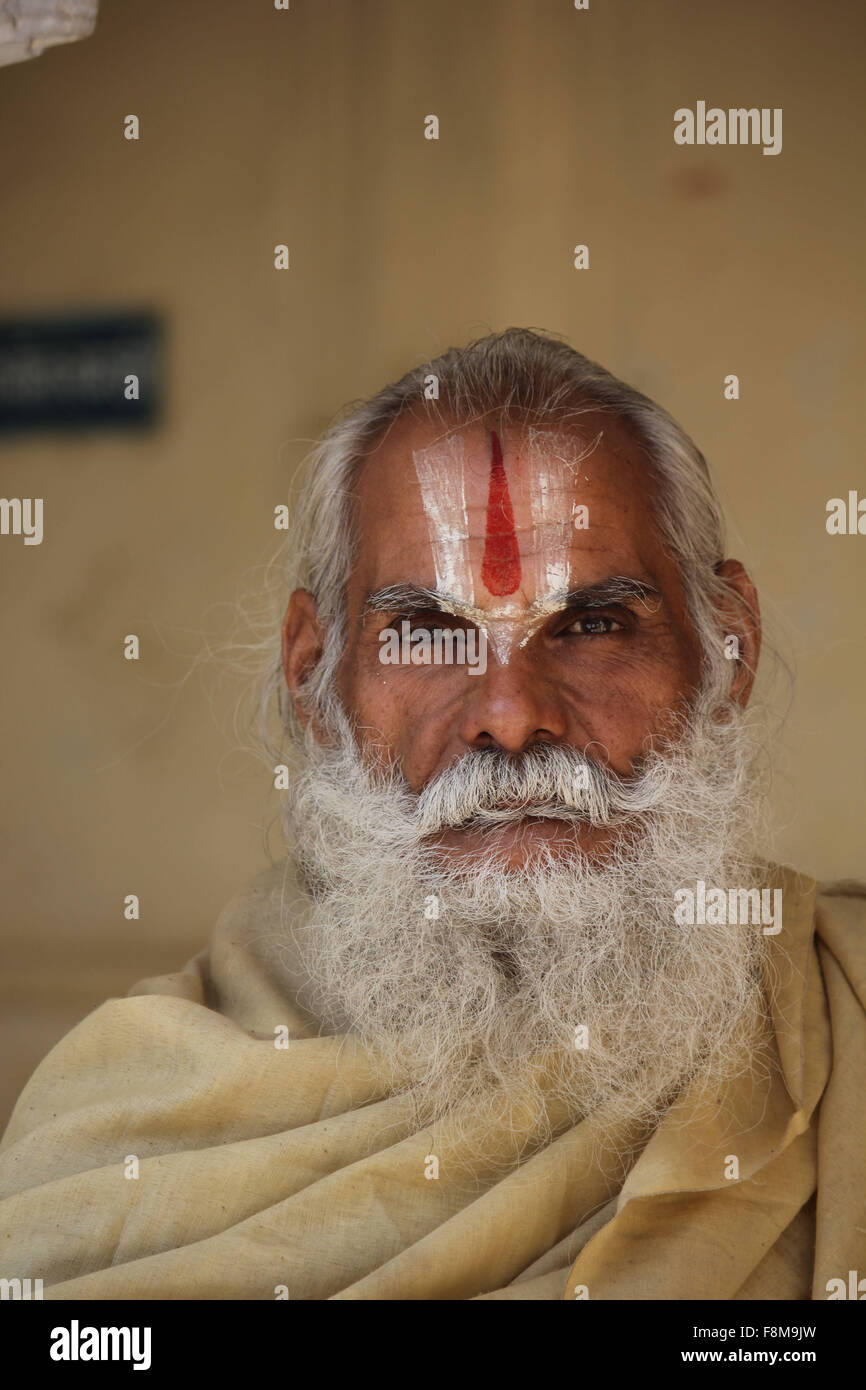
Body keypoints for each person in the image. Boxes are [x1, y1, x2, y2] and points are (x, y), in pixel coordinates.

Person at [1, 328, 864, 1301]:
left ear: (726, 652)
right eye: (424, 632)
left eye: (588, 625)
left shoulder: (846, 1023)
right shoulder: (124, 1127)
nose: (508, 715)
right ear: (312, 679)